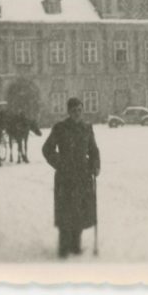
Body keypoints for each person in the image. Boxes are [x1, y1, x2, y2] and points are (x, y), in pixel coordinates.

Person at [42, 97, 101, 258]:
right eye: (74, 110)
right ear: (68, 112)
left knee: (80, 210)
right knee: (65, 210)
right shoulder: (60, 128)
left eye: (80, 110)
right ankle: (63, 247)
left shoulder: (87, 128)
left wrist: (95, 166)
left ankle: (76, 245)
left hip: (83, 176)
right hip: (65, 176)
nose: (77, 113)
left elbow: (94, 150)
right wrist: (60, 163)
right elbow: (47, 149)